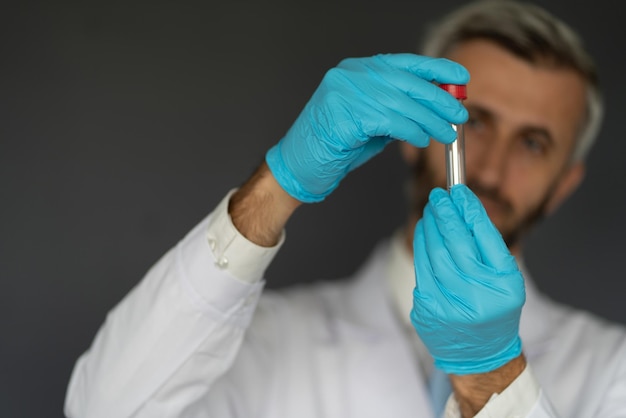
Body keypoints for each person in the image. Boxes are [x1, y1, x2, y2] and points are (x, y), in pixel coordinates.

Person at [64, 0, 626, 417]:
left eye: (533, 143)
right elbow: (103, 408)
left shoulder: (609, 368)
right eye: (473, 121)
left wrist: (492, 374)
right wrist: (278, 182)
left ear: (565, 184)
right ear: (412, 130)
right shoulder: (274, 338)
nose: (490, 167)